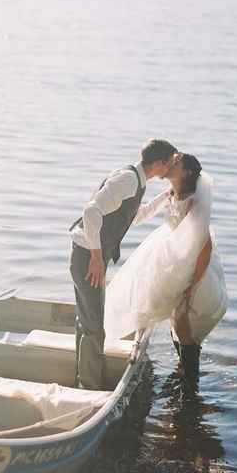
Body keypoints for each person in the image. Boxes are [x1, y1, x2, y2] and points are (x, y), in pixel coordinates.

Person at [104, 153, 227, 384]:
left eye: (176, 162)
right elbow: (143, 214)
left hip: (192, 267)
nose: (170, 163)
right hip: (169, 260)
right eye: (170, 159)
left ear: (187, 172)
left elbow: (205, 248)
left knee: (183, 323)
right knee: (174, 320)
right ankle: (183, 373)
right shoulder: (170, 193)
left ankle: (190, 380)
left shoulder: (194, 201)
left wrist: (193, 285)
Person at [69, 139, 178, 389]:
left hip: (88, 255)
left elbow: (133, 216)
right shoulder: (128, 180)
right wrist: (96, 258)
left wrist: (164, 197)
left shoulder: (136, 181)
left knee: (87, 321)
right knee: (94, 327)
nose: (170, 169)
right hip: (87, 257)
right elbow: (91, 212)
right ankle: (89, 387)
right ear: (159, 163)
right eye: (170, 163)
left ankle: (83, 379)